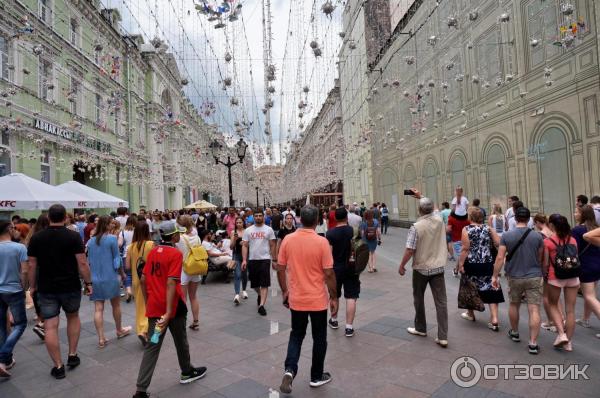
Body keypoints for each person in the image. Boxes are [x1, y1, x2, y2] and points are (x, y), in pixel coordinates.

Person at [132, 223, 207, 398]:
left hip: (156, 310)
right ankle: (186, 371)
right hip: (173, 309)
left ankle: (140, 390)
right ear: (173, 237)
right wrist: (167, 313)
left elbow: (143, 279)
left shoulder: (152, 252)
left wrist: (149, 301)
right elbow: (171, 282)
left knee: (153, 345)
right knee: (181, 340)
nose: (180, 236)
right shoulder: (175, 253)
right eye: (178, 234)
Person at [27, 204, 93, 379]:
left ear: (49, 217)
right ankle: (72, 354)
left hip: (46, 287)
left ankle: (58, 366)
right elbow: (82, 263)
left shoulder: (37, 238)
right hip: (70, 285)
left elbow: (32, 265)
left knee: (50, 326)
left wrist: (32, 287)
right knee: (73, 317)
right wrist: (88, 282)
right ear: (65, 218)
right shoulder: (73, 236)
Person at [276, 205, 337, 394]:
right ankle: (316, 376)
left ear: (300, 219)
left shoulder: (288, 240)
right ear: (318, 220)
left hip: (297, 298)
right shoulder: (321, 242)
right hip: (317, 300)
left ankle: (289, 370)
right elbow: (328, 273)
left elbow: (279, 268)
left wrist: (285, 290)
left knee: (296, 334)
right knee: (319, 338)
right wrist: (334, 296)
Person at [398, 192, 448, 348]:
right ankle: (443, 336)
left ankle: (421, 327)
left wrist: (402, 265)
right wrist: (421, 196)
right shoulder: (439, 220)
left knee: (418, 297)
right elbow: (436, 208)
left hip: (420, 268)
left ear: (419, 210)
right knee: (441, 302)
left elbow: (410, 249)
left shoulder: (416, 227)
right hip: (438, 267)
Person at [492, 206, 544, 354]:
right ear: (529, 220)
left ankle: (514, 332)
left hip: (514, 276)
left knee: (514, 304)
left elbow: (500, 257)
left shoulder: (507, 236)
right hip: (534, 275)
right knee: (534, 308)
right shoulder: (537, 236)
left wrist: (495, 275)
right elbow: (539, 258)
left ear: (515, 219)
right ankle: (533, 343)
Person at [87, 216, 132, 348]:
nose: (112, 226)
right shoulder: (112, 239)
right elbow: (116, 260)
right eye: (111, 224)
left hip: (95, 278)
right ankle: (119, 330)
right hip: (111, 277)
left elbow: (89, 260)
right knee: (116, 305)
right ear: (106, 225)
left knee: (98, 308)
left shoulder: (91, 241)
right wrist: (123, 274)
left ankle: (101, 338)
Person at [457, 207, 504, 330]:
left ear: (470, 217)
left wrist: (460, 264)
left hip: (472, 264)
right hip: (488, 263)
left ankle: (470, 314)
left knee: (470, 288)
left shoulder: (466, 229)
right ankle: (494, 319)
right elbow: (498, 242)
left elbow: (465, 248)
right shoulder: (489, 228)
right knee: (491, 288)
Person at [543, 214, 580, 351]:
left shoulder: (548, 242)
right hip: (573, 276)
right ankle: (568, 342)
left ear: (552, 226)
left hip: (556, 277)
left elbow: (546, 264)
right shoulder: (573, 240)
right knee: (570, 310)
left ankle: (561, 334)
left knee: (553, 304)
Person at [0, 221, 28, 377]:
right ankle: (3, 357)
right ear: (9, 230)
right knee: (20, 324)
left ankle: (6, 361)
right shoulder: (19, 248)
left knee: (2, 326)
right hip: (14, 290)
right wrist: (24, 288)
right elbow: (24, 271)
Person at [326, 207, 359, 337]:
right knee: (351, 297)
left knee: (334, 295)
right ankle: (349, 327)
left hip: (336, 269)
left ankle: (334, 320)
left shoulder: (331, 233)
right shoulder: (354, 231)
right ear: (346, 217)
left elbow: (328, 255)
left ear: (335, 218)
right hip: (352, 268)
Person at [242, 208, 277, 316]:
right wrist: (244, 260)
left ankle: (261, 305)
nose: (258, 217)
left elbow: (272, 245)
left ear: (263, 217)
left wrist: (274, 259)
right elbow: (245, 245)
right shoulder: (248, 230)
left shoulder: (268, 230)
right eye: (256, 216)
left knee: (264, 283)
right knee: (254, 284)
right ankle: (260, 295)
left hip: (265, 259)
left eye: (260, 216)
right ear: (253, 217)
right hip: (252, 259)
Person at [126, 220, 154, 346]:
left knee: (139, 307)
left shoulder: (130, 247)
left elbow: (127, 266)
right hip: (149, 279)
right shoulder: (151, 244)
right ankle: (146, 331)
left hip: (136, 281)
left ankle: (141, 330)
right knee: (149, 305)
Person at [572, 205, 600, 331]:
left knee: (589, 296)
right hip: (597, 265)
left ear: (582, 215)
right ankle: (585, 319)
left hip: (585, 266)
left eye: (576, 212)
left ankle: (586, 319)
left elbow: (574, 250)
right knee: (591, 294)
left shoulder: (577, 230)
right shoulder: (596, 229)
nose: (574, 214)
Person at [176, 216, 202, 331]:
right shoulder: (197, 237)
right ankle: (196, 321)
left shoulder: (179, 239)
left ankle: (182, 323)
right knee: (194, 297)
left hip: (184, 270)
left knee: (183, 299)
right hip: (195, 269)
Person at [230, 217, 249, 304]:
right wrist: (234, 239)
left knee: (244, 274)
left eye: (240, 222)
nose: (238, 224)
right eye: (237, 222)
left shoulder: (247, 231)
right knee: (237, 274)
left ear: (243, 223)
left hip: (245, 255)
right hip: (236, 255)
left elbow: (250, 244)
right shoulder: (233, 232)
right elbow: (231, 247)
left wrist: (245, 243)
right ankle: (237, 294)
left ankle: (244, 290)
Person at [448, 209, 470, 276]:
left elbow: (448, 229)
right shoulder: (467, 219)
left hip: (456, 240)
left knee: (461, 256)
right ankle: (456, 270)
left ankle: (458, 270)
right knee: (463, 255)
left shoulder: (451, 219)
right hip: (466, 239)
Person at [121, 216, 136, 302]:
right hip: (136, 254)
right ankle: (135, 291)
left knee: (127, 274)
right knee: (136, 273)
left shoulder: (122, 232)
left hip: (126, 254)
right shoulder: (137, 231)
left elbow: (119, 244)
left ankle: (128, 291)